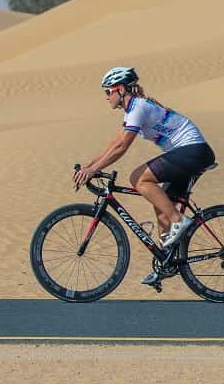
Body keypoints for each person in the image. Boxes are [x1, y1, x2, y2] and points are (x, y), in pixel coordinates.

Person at [74, 67, 216, 286]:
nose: (106, 97)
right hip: (190, 153)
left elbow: (122, 147)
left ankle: (179, 220)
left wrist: (93, 171)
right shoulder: (133, 109)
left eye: (108, 92)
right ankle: (166, 262)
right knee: (161, 206)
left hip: (193, 151)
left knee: (138, 178)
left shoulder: (138, 107)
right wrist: (89, 165)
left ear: (120, 89)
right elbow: (114, 143)